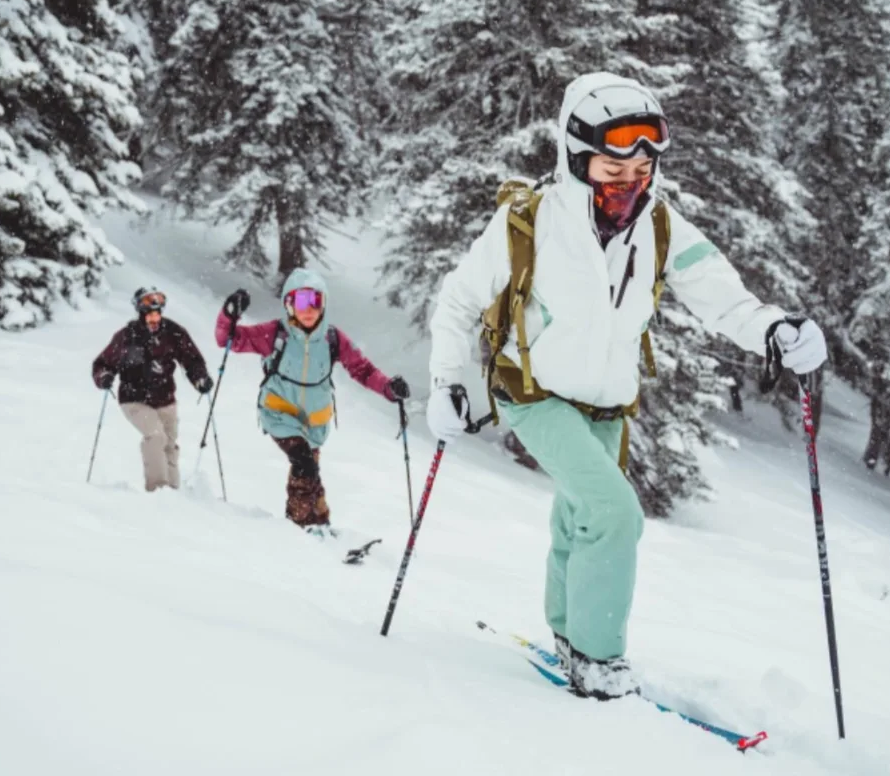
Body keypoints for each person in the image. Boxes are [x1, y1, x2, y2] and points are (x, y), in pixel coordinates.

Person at [426, 72, 828, 701]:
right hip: (532, 393)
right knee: (614, 513)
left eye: (639, 173)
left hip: (608, 404)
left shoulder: (661, 226)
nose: (625, 188)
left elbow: (726, 301)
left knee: (578, 518)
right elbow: (457, 301)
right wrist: (446, 381)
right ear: (574, 158)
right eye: (611, 173)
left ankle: (566, 633)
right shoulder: (526, 223)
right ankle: (598, 659)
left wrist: (776, 330)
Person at [216, 269, 409, 533]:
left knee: (310, 470)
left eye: (315, 302)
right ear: (289, 304)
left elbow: (361, 369)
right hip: (279, 413)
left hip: (313, 423)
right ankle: (298, 527)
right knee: (303, 463)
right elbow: (229, 340)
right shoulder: (276, 333)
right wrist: (229, 314)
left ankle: (320, 521)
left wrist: (388, 388)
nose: (308, 310)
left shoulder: (332, 339)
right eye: (300, 302)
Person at [92, 287, 213, 491]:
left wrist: (200, 378)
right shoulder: (127, 336)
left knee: (170, 445)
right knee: (156, 436)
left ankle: (174, 491)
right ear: (141, 314)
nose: (154, 320)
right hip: (134, 399)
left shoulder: (173, 332)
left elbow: (191, 359)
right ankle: (158, 490)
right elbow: (102, 363)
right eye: (149, 316)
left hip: (165, 398)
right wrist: (104, 377)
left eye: (157, 315)